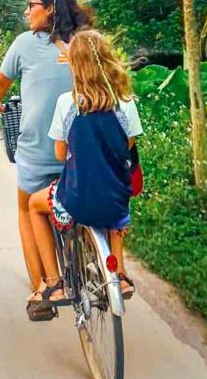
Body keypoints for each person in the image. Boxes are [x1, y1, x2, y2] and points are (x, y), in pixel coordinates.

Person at [0, 0, 93, 319]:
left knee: (26, 208)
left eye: (32, 5)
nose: (27, 12)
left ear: (51, 10)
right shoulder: (85, 44)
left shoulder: (24, 44)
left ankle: (44, 287)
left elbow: (1, 84)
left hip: (39, 153)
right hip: (84, 153)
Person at [26, 30, 141, 312]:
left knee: (34, 204)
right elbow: (127, 146)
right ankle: (120, 275)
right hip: (115, 200)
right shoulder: (125, 102)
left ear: (74, 65)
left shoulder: (68, 103)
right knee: (115, 197)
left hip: (76, 200)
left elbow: (59, 154)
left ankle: (54, 282)